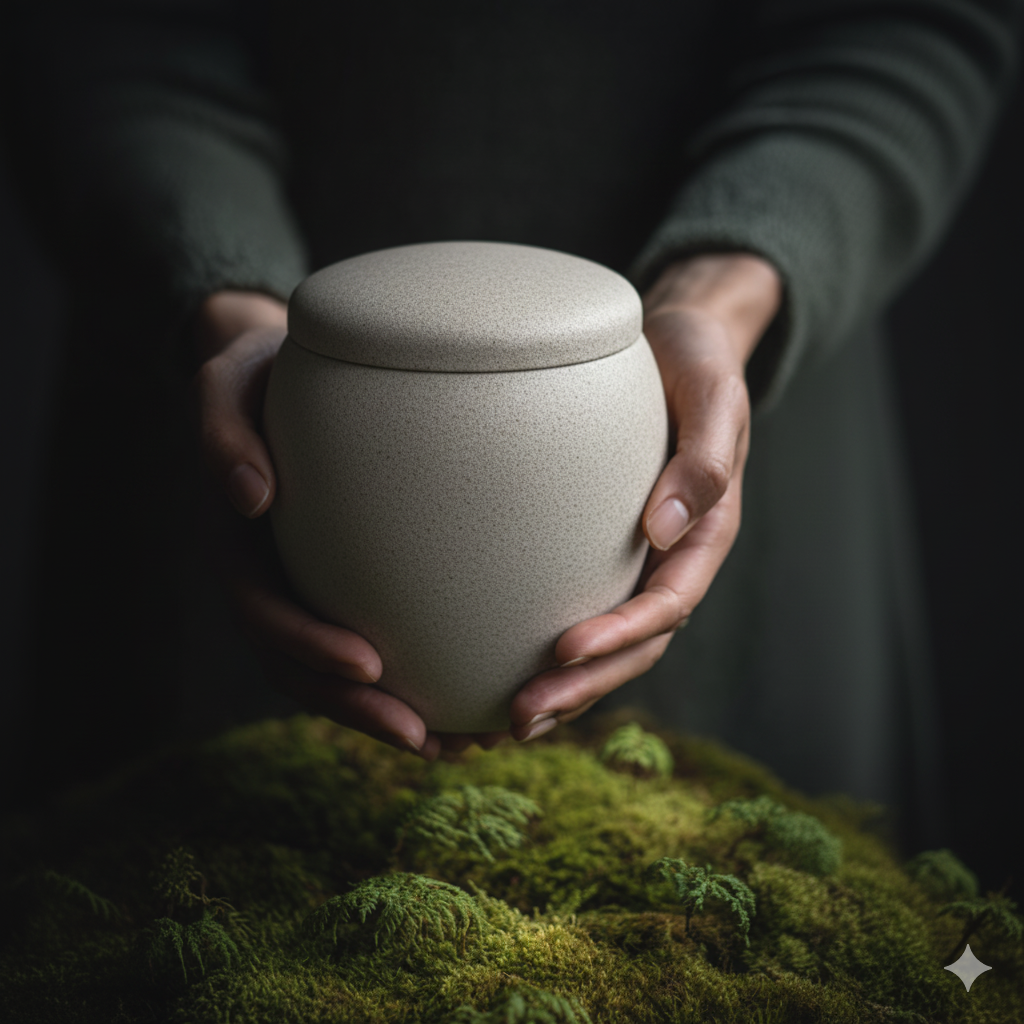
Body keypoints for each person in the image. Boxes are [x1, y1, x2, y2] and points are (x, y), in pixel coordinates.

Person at [18, 0, 1020, 843]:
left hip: (707, 387)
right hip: (229, 393)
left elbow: (912, 15)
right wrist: (220, 293)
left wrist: (724, 289)